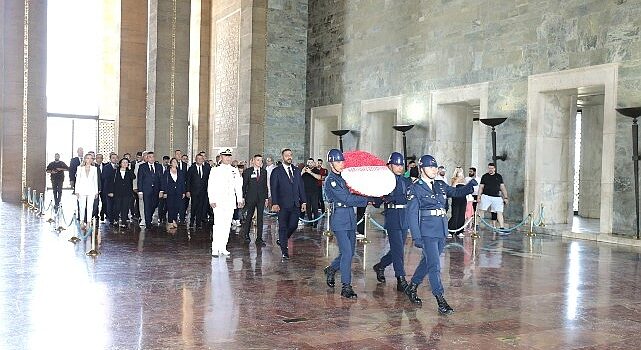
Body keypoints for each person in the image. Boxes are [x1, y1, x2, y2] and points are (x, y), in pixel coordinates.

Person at [404, 154, 476, 314]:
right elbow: (411, 214)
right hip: (427, 232)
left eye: (435, 167)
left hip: (441, 230)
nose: (434, 170)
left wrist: (470, 185)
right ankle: (440, 299)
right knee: (435, 266)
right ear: (422, 169)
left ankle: (412, 287)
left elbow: (456, 192)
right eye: (431, 167)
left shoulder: (440, 185)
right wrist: (416, 236)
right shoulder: (415, 188)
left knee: (427, 262)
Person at [323, 149, 378, 299]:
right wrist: (368, 200)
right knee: (347, 253)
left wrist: (371, 193)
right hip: (339, 219)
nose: (341, 164)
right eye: (338, 162)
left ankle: (331, 269)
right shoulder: (331, 181)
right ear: (331, 163)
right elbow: (346, 199)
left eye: (342, 161)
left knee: (349, 252)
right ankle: (346, 286)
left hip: (350, 218)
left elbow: (354, 193)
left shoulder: (344, 178)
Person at [372, 152, 412, 292]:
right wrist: (376, 197)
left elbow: (408, 198)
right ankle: (400, 279)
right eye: (397, 164)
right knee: (398, 250)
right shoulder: (384, 180)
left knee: (398, 249)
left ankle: (380, 266)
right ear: (389, 166)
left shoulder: (407, 181)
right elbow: (377, 201)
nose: (400, 167)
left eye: (401, 165)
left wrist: (394, 198)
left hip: (404, 216)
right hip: (393, 216)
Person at [270, 148, 307, 260]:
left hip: (295, 204)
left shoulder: (296, 170)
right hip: (282, 205)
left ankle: (282, 240)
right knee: (283, 227)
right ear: (282, 157)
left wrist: (304, 201)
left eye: (290, 155)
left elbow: (301, 186)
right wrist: (275, 203)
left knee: (293, 225)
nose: (289, 157)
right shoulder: (277, 171)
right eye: (287, 155)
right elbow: (274, 188)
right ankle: (284, 251)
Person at [208, 148, 244, 256]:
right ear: (221, 157)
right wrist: (212, 199)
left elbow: (238, 186)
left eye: (229, 156)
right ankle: (215, 248)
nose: (228, 158)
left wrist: (239, 199)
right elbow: (211, 185)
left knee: (227, 225)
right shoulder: (215, 170)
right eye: (225, 156)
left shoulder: (234, 170)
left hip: (230, 201)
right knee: (218, 224)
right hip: (219, 201)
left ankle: (223, 247)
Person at [240, 154, 268, 245]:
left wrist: (266, 198)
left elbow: (265, 185)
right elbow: (244, 186)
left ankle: (259, 238)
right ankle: (246, 235)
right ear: (253, 161)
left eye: (261, 160)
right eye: (258, 160)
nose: (260, 162)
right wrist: (243, 197)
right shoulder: (248, 171)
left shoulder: (264, 172)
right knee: (249, 217)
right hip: (251, 197)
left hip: (261, 198)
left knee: (260, 218)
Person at [478, 162, 509, 232]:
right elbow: (481, 187)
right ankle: (477, 225)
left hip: (497, 197)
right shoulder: (484, 176)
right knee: (481, 210)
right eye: (489, 168)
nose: (490, 169)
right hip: (486, 196)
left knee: (499, 212)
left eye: (492, 168)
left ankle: (501, 227)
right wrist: (478, 197)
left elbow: (502, 187)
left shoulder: (499, 176)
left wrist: (506, 197)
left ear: (494, 169)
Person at [137, 151, 162, 229]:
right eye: (150, 157)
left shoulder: (159, 166)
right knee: (147, 206)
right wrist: (140, 191)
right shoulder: (142, 167)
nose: (152, 158)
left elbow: (161, 179)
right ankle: (148, 223)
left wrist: (161, 190)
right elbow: (140, 179)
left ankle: (149, 217)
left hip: (156, 190)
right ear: (147, 158)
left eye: (153, 157)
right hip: (146, 190)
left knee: (154, 205)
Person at [109, 158, 136, 227]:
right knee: (117, 207)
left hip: (127, 192)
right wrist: (111, 191)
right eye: (123, 162)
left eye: (126, 162)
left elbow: (133, 177)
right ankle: (116, 219)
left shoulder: (129, 171)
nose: (125, 164)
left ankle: (124, 221)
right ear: (120, 163)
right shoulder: (115, 171)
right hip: (117, 192)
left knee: (125, 207)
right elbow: (111, 182)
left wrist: (129, 169)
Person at [160, 158, 186, 229]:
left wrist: (183, 192)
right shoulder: (167, 172)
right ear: (170, 163)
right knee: (170, 206)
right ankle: (170, 221)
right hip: (169, 192)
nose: (175, 163)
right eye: (173, 162)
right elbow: (164, 182)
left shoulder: (180, 172)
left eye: (176, 162)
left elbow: (182, 182)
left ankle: (174, 220)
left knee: (177, 207)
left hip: (178, 191)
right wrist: (164, 192)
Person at [75, 153, 99, 228]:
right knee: (82, 206)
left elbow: (95, 181)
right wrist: (77, 191)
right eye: (87, 158)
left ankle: (88, 222)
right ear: (85, 159)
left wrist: (96, 192)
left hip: (91, 190)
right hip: (82, 190)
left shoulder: (94, 168)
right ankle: (82, 221)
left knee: (90, 206)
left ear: (92, 160)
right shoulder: (79, 168)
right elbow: (77, 180)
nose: (89, 160)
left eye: (91, 158)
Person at [186, 153, 210, 229]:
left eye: (201, 159)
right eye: (198, 159)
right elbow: (188, 180)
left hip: (203, 191)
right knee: (194, 206)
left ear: (203, 160)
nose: (199, 160)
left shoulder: (206, 168)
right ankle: (192, 221)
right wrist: (188, 191)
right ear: (195, 160)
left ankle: (198, 223)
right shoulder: (191, 168)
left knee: (201, 207)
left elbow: (208, 180)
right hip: (194, 191)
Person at [302, 158, 322, 227]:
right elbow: (298, 178)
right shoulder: (304, 170)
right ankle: (310, 221)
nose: (310, 164)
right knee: (308, 208)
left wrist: (310, 172)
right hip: (306, 192)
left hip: (314, 192)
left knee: (315, 207)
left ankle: (315, 222)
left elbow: (319, 177)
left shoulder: (316, 170)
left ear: (313, 163)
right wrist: (302, 172)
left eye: (311, 162)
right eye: (308, 162)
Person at [448, 167, 467, 238]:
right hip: (456, 198)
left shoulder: (464, 180)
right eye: (458, 171)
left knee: (462, 215)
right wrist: (457, 179)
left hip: (463, 198)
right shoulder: (454, 179)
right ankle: (450, 230)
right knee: (455, 214)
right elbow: (453, 187)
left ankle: (460, 231)